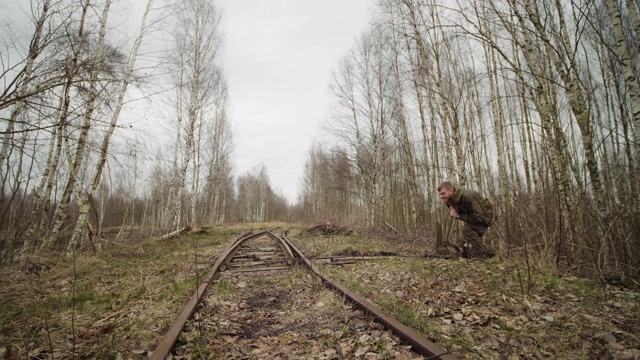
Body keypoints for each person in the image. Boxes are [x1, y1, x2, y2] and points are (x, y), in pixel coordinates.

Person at [437, 181, 495, 258]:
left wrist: (458, 216)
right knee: (463, 246)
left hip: (486, 217)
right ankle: (489, 253)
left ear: (451, 191)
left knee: (467, 231)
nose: (441, 197)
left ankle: (479, 257)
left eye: (443, 193)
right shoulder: (449, 201)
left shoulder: (468, 196)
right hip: (474, 218)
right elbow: (463, 215)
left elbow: (480, 216)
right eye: (440, 194)